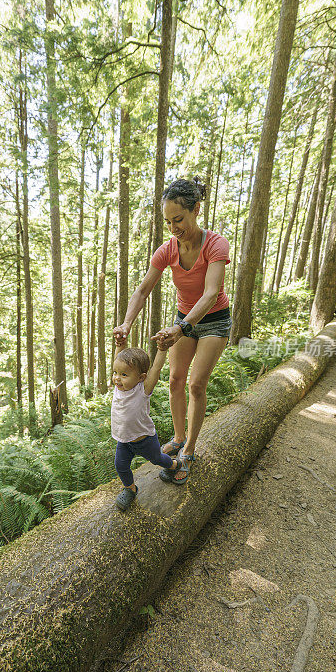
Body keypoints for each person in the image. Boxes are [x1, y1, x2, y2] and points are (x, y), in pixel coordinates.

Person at [113, 176, 231, 484]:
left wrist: (181, 328)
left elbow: (210, 293)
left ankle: (189, 449)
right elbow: (142, 291)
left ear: (196, 210)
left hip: (214, 320)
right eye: (168, 222)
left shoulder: (216, 244)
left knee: (195, 384)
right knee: (175, 380)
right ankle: (178, 438)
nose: (173, 227)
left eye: (178, 219)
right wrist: (127, 323)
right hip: (184, 319)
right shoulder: (167, 250)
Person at [111, 344, 182, 511]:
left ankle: (173, 465)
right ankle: (130, 489)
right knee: (120, 465)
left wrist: (162, 349)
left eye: (124, 375)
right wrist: (119, 344)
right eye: (115, 373)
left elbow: (156, 368)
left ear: (141, 377)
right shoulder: (118, 388)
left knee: (157, 459)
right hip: (124, 441)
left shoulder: (142, 390)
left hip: (145, 440)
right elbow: (117, 361)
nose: (117, 378)